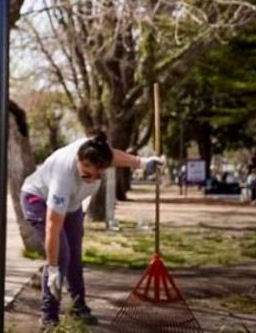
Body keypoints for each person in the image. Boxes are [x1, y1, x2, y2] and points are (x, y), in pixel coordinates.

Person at [20, 132, 164, 331]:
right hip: (38, 199)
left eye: (98, 175)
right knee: (62, 256)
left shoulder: (98, 151)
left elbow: (114, 156)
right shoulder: (63, 176)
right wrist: (52, 268)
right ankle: (48, 317)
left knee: (75, 255)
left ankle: (78, 306)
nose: (92, 179)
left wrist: (143, 162)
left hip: (72, 204)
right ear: (79, 161)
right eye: (86, 174)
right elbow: (52, 226)